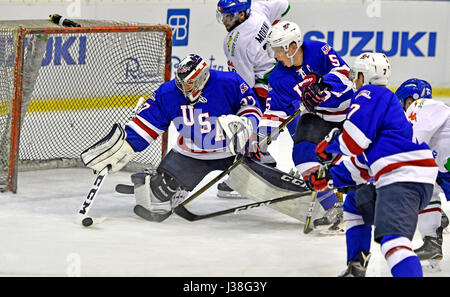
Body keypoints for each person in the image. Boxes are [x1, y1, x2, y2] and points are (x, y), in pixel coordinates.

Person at [80, 54, 263, 221]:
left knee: (265, 181)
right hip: (192, 154)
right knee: (155, 197)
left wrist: (247, 123)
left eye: (190, 83)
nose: (184, 88)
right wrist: (126, 145)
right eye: (181, 82)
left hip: (233, 151)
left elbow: (251, 107)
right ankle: (173, 185)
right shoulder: (168, 93)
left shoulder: (229, 82)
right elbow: (148, 121)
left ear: (202, 77)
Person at [308, 52, 439, 277]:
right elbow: (362, 165)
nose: (354, 81)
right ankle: (356, 267)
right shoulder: (382, 112)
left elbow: (353, 142)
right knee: (354, 205)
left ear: (363, 76)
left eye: (356, 76)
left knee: (394, 243)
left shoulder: (371, 93)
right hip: (406, 174)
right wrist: (329, 176)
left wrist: (331, 143)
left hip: (403, 177)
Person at [259, 20, 354, 230]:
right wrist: (259, 138)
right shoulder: (278, 77)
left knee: (357, 157)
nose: (275, 55)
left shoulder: (318, 49)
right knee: (302, 154)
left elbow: (346, 76)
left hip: (349, 112)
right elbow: (274, 111)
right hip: (319, 117)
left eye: (278, 50)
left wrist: (323, 86)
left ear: (292, 47)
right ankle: (334, 209)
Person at [216, 0, 292, 198]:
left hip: (270, 86)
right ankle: (266, 160)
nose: (224, 20)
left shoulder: (235, 42)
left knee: (246, 127)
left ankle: (248, 175)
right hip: (289, 73)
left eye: (229, 16)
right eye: (223, 15)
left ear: (242, 15)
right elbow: (285, 5)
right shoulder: (258, 9)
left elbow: (244, 85)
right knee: (291, 126)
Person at [397, 78, 450, 269]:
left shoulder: (420, 106)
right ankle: (432, 238)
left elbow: (412, 146)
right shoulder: (433, 112)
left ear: (410, 100)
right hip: (445, 168)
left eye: (402, 103)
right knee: (425, 184)